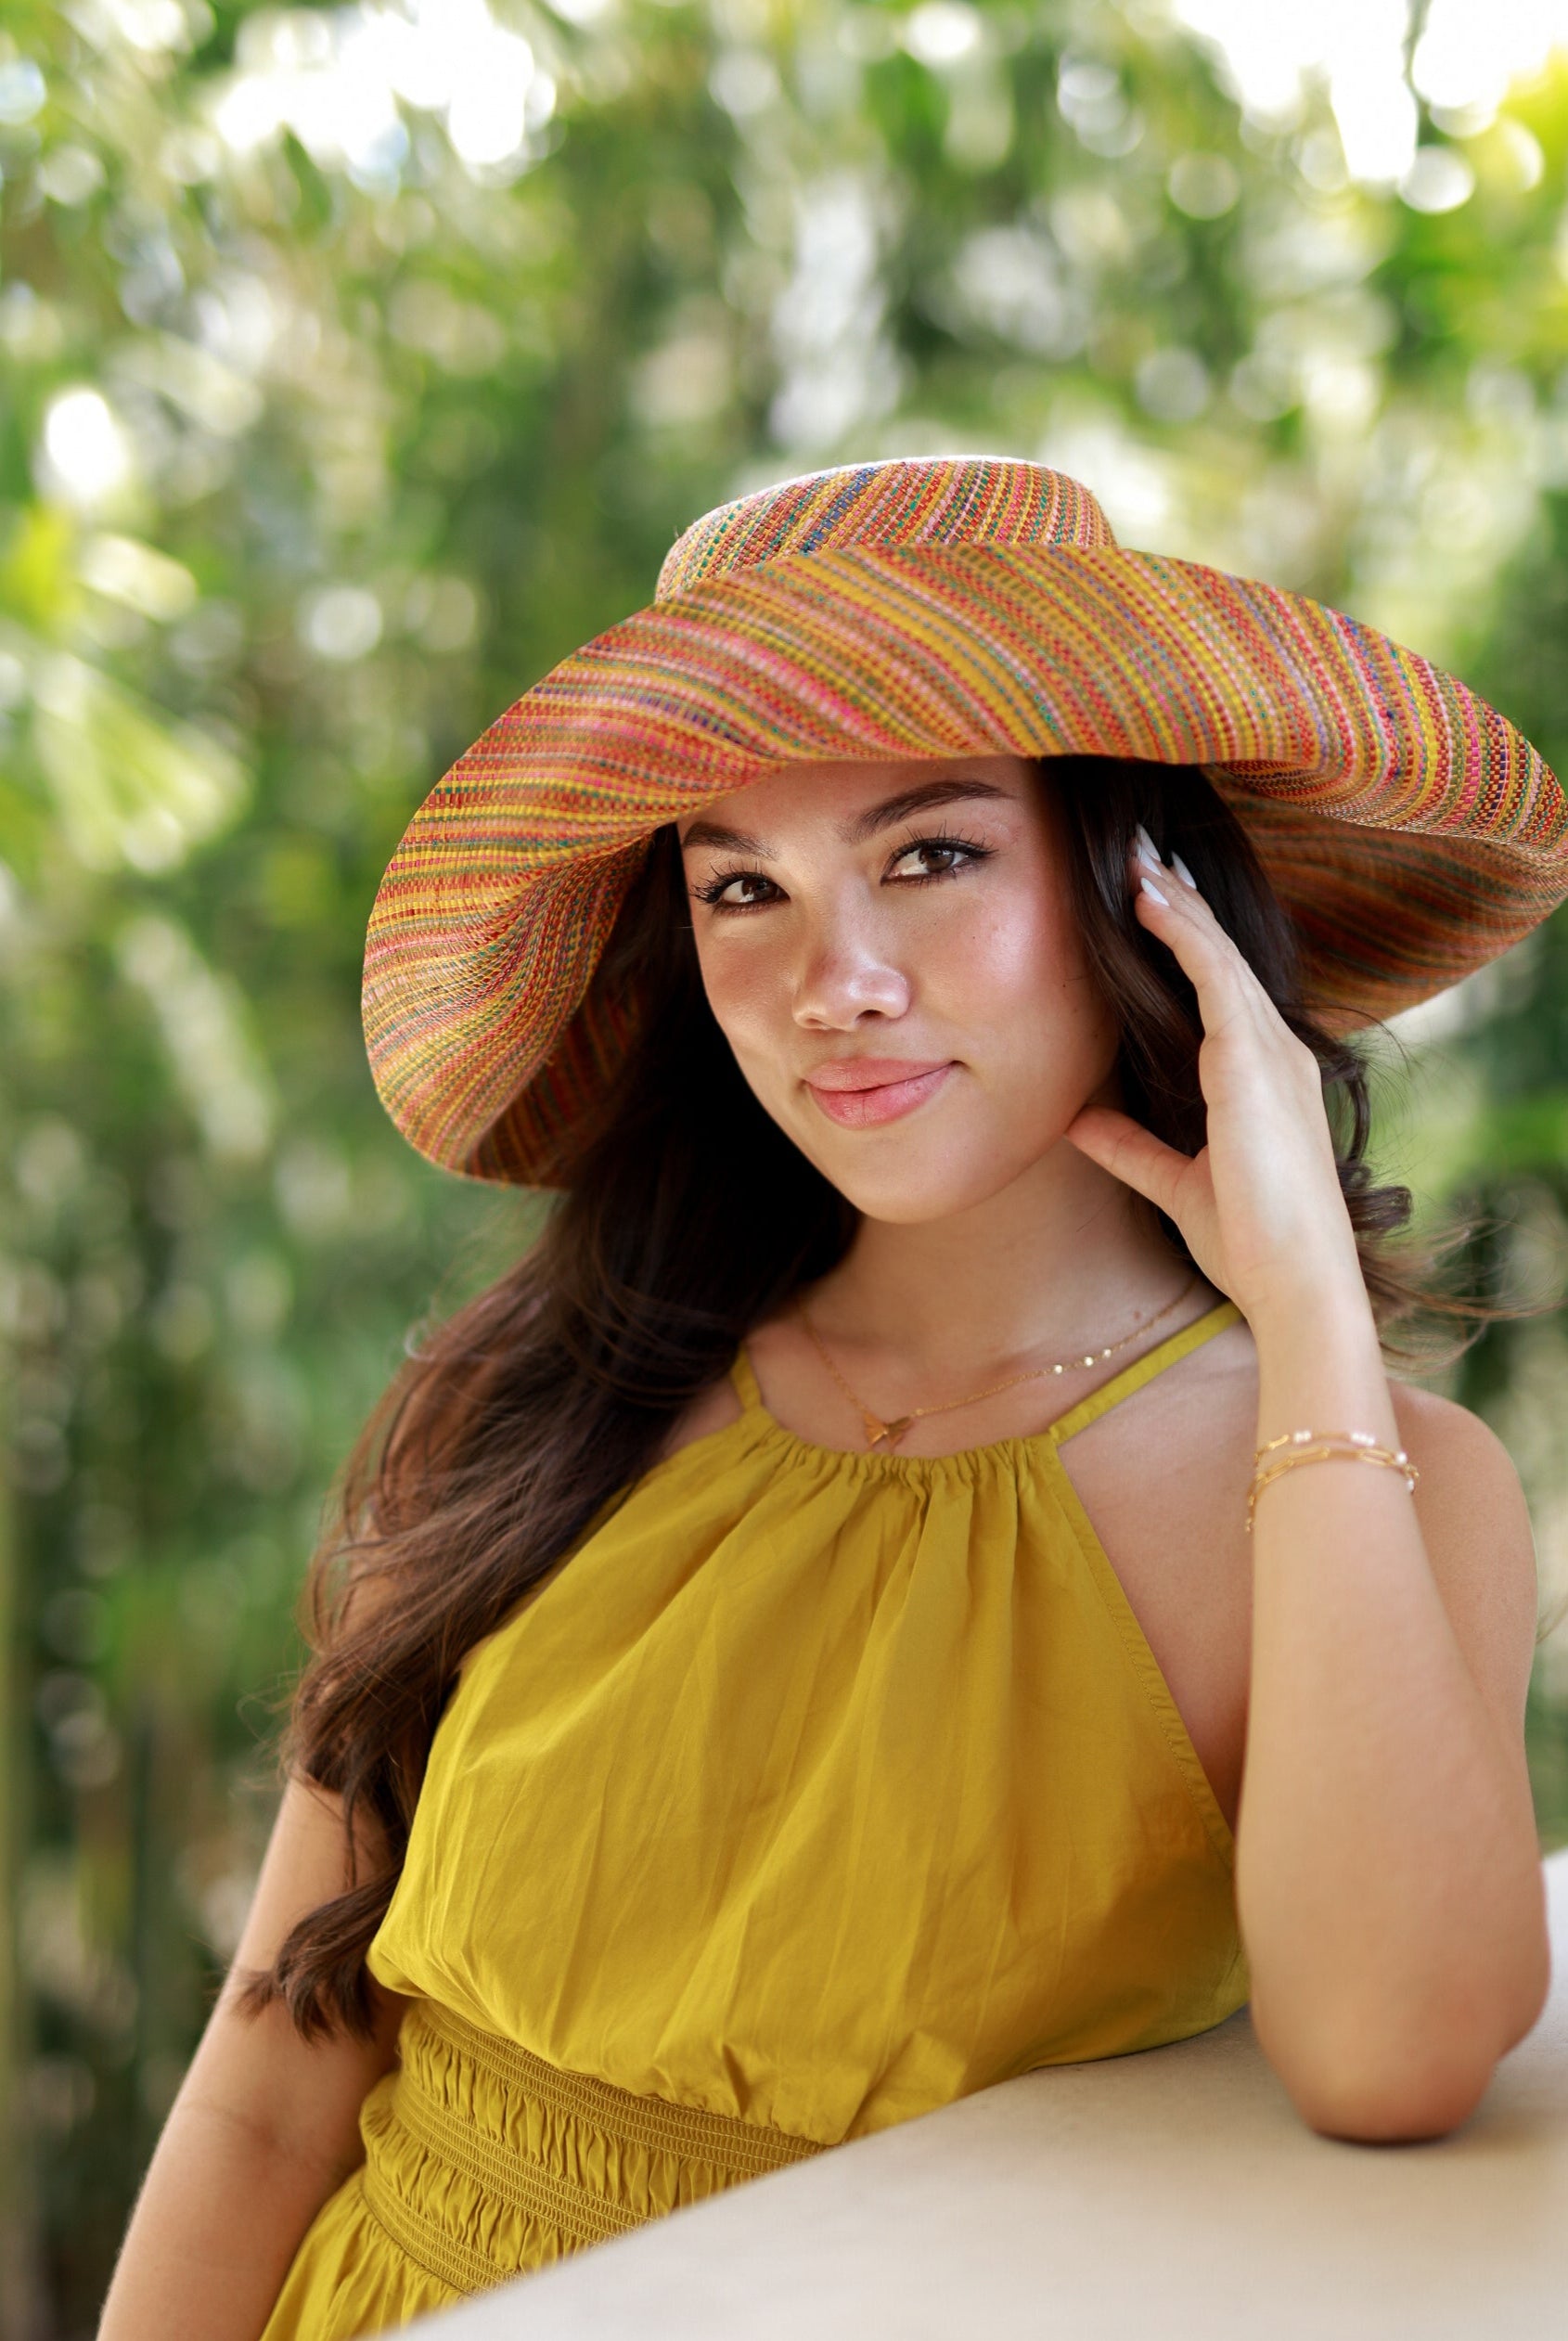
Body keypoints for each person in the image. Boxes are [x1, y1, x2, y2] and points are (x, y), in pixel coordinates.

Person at [99, 457, 1564, 2341]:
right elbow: (265, 2079)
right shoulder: (535, 1396)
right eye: (741, 888)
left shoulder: (1363, 1471)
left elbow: (1391, 2053)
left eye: (928, 855)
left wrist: (1299, 1312)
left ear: (1147, 889)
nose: (832, 983)